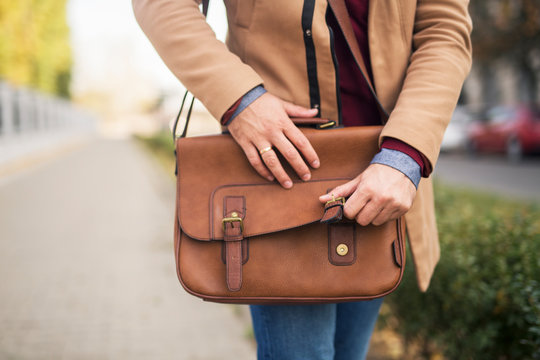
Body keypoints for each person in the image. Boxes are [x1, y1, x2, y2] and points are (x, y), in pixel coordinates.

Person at [132, 0, 472, 358]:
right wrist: (240, 100)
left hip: (380, 177)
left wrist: (405, 153)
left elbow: (444, 31)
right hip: (276, 174)